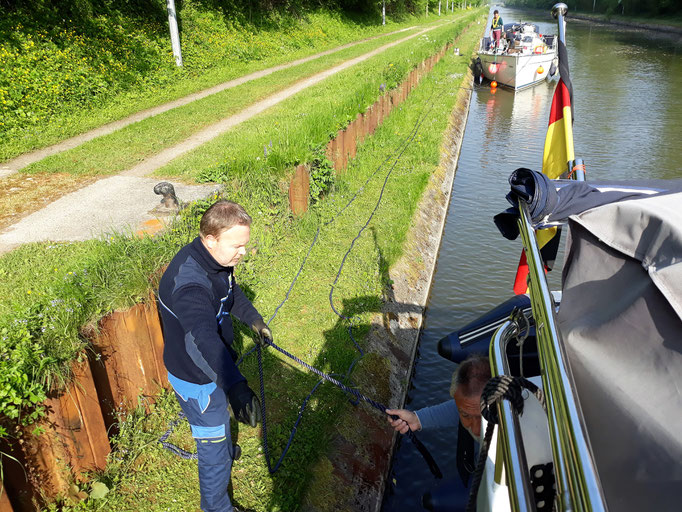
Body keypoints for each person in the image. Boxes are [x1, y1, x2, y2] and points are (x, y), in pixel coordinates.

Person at [158, 199, 272, 512]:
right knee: (213, 454)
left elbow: (230, 293)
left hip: (213, 371)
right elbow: (202, 342)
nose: (243, 252)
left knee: (218, 433)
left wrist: (253, 319)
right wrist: (236, 387)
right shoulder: (190, 285)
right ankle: (217, 507)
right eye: (237, 245)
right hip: (197, 378)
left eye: (245, 244)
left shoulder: (217, 262)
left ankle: (220, 445)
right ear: (211, 239)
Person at [386, 353, 490, 440]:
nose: (476, 431)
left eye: (484, 416)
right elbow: (458, 409)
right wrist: (417, 419)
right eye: (466, 415)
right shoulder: (471, 406)